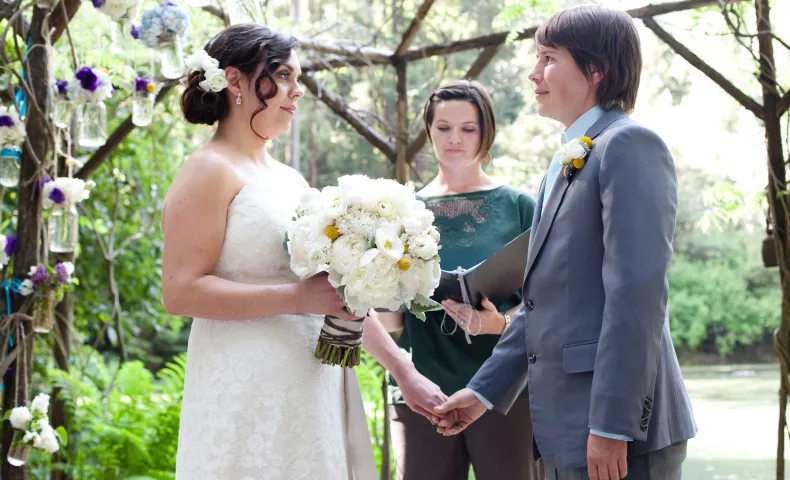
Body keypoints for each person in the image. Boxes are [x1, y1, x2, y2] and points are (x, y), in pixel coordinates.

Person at [162, 24, 445, 479]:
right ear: (235, 80)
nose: (299, 90)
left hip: (313, 382)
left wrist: (403, 370)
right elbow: (180, 293)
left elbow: (336, 290)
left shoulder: (290, 180)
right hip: (245, 383)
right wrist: (296, 299)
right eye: (285, 76)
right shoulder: (206, 171)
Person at [434, 6, 697, 480]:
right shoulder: (565, 161)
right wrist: (483, 393)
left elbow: (637, 295)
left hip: (618, 434)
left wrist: (612, 425)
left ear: (596, 69)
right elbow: (541, 303)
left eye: (548, 57)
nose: (534, 73)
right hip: (563, 425)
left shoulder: (629, 144)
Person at [375, 80, 543, 480]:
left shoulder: (520, 206)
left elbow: (549, 297)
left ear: (486, 132)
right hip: (421, 388)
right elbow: (387, 316)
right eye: (443, 127)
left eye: (468, 128)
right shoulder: (400, 209)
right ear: (429, 130)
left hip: (504, 386)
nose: (455, 139)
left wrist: (497, 323)